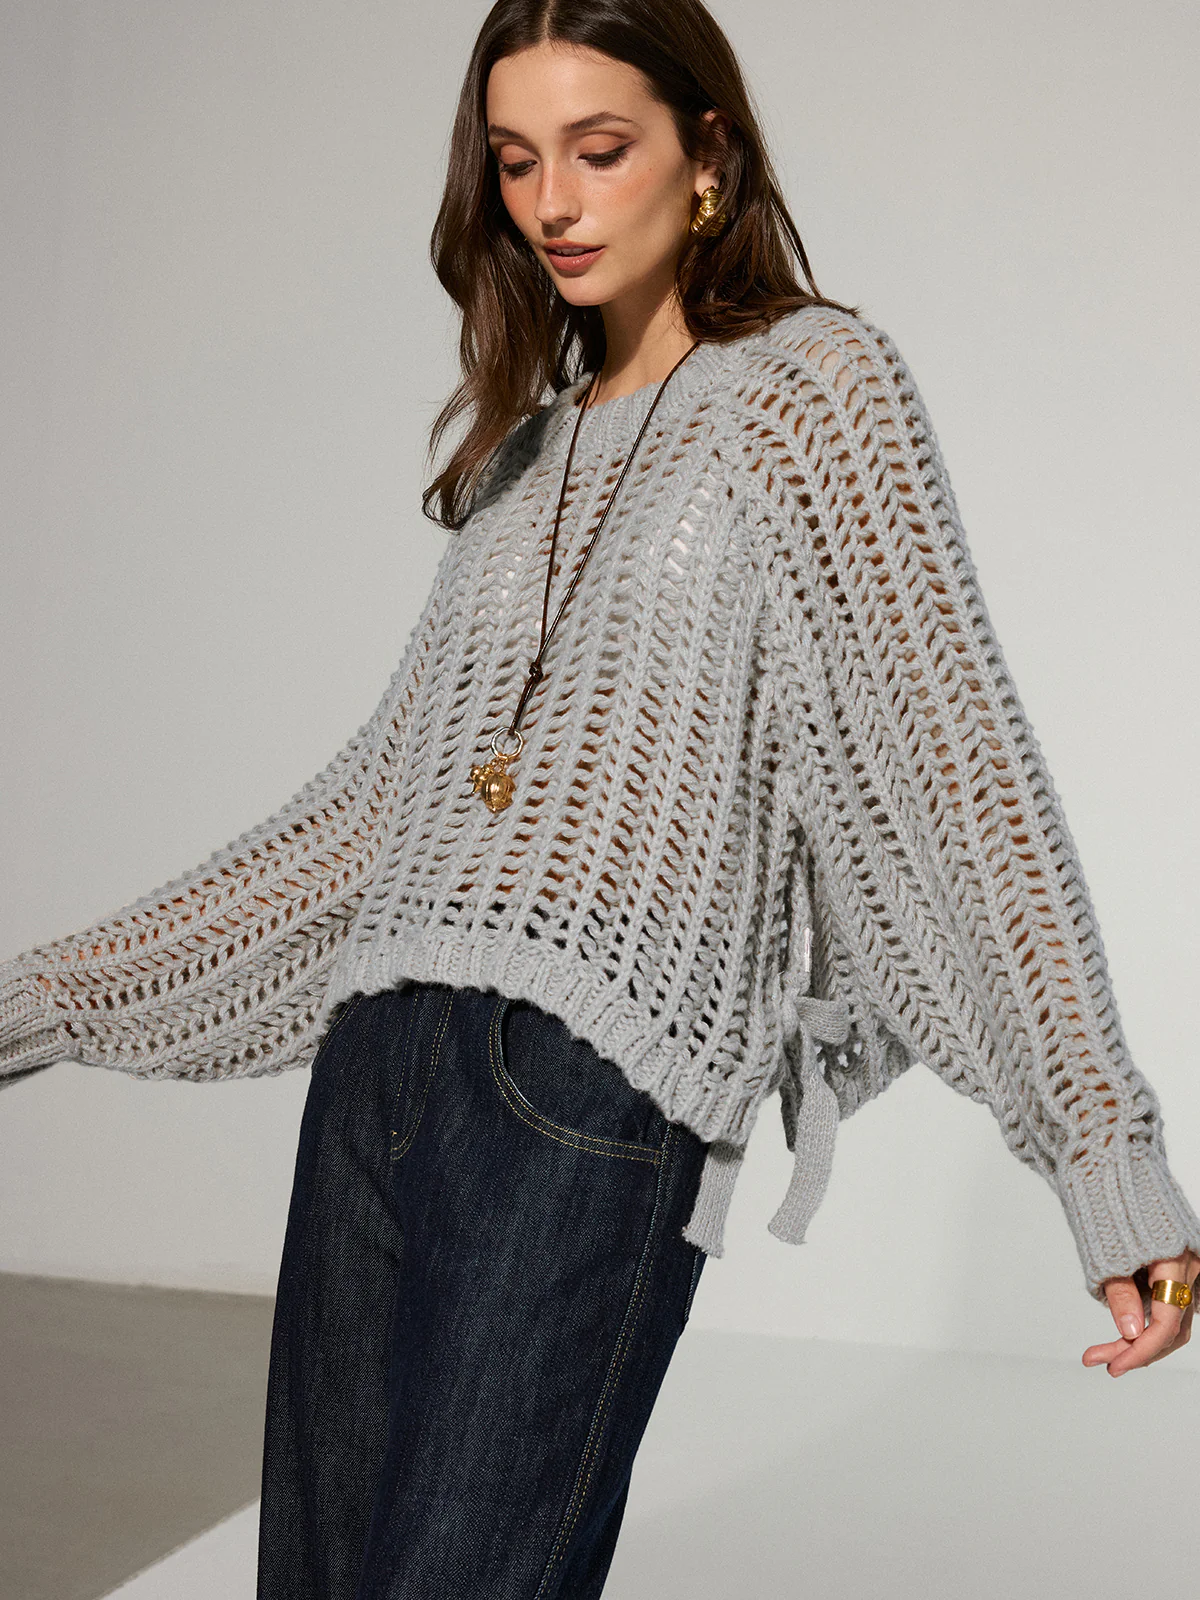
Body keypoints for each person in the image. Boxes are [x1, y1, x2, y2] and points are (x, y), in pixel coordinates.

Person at [2, 1, 1197, 1596]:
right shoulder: (526, 453)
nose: (552, 202)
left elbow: (957, 778)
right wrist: (35, 1000)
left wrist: (1105, 1155)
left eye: (598, 148)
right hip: (377, 1074)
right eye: (516, 162)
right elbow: (367, 826)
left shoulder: (811, 388)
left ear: (707, 154)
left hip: (582, 1090)